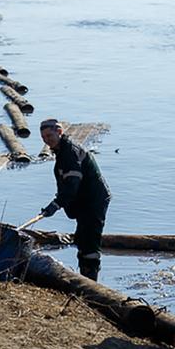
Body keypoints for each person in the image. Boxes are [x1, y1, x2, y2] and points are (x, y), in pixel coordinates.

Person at [38, 119, 112, 280]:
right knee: (81, 238)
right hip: (83, 201)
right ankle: (85, 277)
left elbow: (71, 186)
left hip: (93, 200)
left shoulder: (70, 153)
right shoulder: (61, 151)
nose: (46, 140)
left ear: (59, 132)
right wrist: (58, 202)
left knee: (90, 242)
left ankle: (91, 284)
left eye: (49, 135)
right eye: (43, 137)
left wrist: (55, 205)